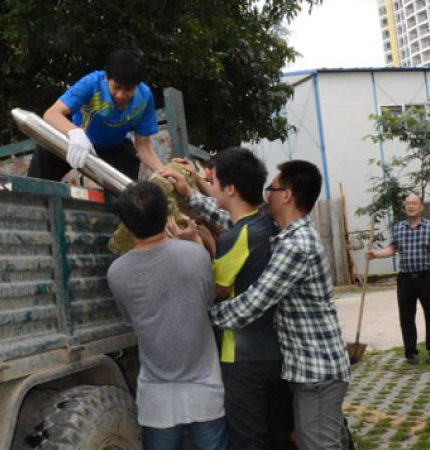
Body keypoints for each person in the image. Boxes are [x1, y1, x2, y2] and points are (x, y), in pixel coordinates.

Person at [205, 160, 351, 450]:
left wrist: (204, 313)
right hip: (308, 370)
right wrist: (196, 197)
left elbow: (253, 304)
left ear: (286, 195)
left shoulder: (298, 245)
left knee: (319, 444)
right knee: (324, 438)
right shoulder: (283, 233)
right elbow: (238, 222)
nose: (265, 193)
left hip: (317, 373)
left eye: (271, 188)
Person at [164, 148, 295, 449]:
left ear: (230, 188)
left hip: (243, 358)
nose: (209, 185)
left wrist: (194, 246)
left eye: (214, 181)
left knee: (248, 438)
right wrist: (190, 190)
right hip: (275, 351)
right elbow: (225, 216)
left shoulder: (238, 237)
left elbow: (216, 291)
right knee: (278, 434)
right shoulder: (265, 223)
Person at [106, 181, 230, 450]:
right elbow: (210, 299)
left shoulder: (117, 272)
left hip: (157, 396)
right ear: (167, 215)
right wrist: (199, 242)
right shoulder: (194, 256)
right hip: (204, 387)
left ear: (126, 226)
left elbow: (132, 321)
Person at [27, 48, 163, 181]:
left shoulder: (145, 98)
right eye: (116, 87)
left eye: (128, 89)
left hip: (112, 148)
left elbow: (143, 146)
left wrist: (163, 171)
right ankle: (30, 197)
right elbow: (51, 114)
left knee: (129, 164)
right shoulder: (92, 83)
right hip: (77, 142)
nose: (121, 95)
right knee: (46, 149)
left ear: (137, 85)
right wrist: (74, 132)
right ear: (107, 78)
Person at [366, 193, 430, 365]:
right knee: (406, 317)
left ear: (421, 207)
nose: (410, 206)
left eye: (414, 203)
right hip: (405, 279)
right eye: (408, 204)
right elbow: (392, 248)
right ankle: (411, 352)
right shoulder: (399, 228)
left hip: (426, 277)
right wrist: (375, 254)